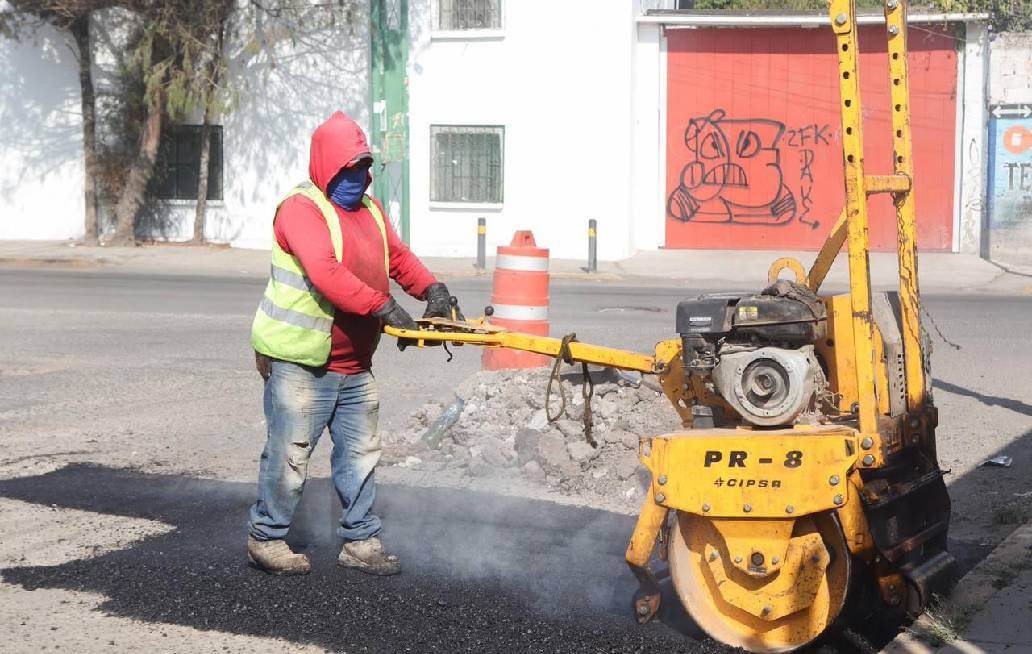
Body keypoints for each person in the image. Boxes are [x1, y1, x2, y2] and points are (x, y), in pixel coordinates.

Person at [246, 111, 463, 576]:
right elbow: (325, 273)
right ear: (327, 167)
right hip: (301, 361)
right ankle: (266, 537)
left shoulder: (370, 209)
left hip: (354, 364)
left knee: (361, 453)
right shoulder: (301, 210)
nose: (360, 178)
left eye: (365, 167)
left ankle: (360, 540)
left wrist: (433, 291)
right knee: (290, 452)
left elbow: (399, 259)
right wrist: (382, 307)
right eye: (350, 168)